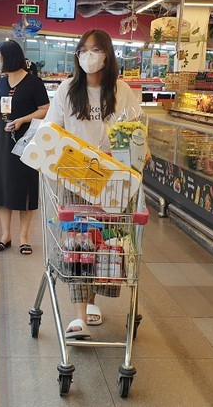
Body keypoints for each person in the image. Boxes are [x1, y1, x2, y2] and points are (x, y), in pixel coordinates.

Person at [43, 29, 143, 339]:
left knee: (105, 243)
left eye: (96, 49)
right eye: (84, 49)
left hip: (113, 181)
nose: (90, 55)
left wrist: (139, 149)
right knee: (77, 242)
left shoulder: (123, 91)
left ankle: (91, 301)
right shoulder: (67, 89)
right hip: (76, 177)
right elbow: (51, 129)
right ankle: (79, 318)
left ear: (109, 54)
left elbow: (136, 130)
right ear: (77, 54)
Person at [0, 41, 50, 255]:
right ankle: (5, 235)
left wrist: (23, 119)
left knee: (25, 189)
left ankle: (23, 237)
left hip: (26, 143)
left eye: (0, 58)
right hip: (2, 143)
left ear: (10, 58)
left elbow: (45, 109)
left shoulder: (33, 83)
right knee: (2, 189)